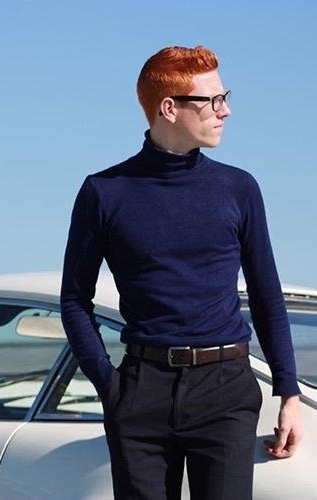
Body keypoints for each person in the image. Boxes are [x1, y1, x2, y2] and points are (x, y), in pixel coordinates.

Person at [60, 45, 302, 500]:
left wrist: (289, 393)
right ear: (169, 108)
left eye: (224, 97)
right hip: (141, 393)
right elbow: (74, 300)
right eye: (212, 100)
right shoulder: (104, 192)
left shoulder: (238, 188)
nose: (225, 111)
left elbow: (266, 295)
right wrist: (110, 386)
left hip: (225, 390)